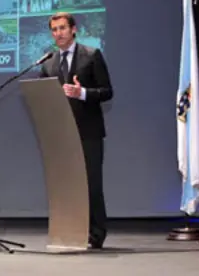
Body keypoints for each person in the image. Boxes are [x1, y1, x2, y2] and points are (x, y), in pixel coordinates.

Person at [39, 12, 113, 249]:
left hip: (88, 133)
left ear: (73, 29)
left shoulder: (91, 56)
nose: (58, 33)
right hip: (61, 134)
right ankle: (71, 231)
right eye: (54, 29)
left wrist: (81, 93)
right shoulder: (48, 62)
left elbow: (107, 91)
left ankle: (96, 234)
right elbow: (45, 96)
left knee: (91, 185)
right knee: (65, 185)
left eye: (62, 28)